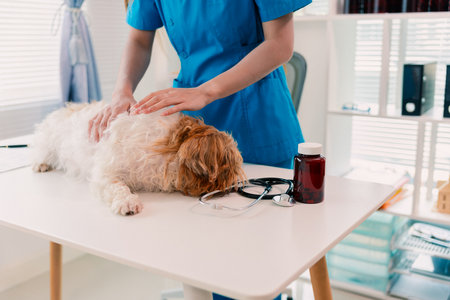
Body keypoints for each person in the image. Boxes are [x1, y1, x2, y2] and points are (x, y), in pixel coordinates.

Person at [88, 0, 311, 170]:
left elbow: (280, 45)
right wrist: (122, 91)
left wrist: (206, 91)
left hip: (255, 118)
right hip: (193, 122)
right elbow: (139, 39)